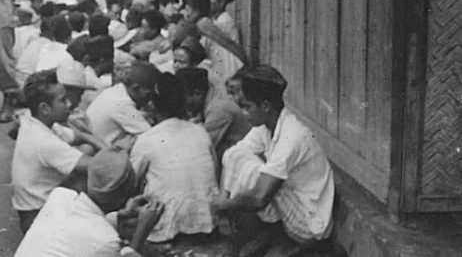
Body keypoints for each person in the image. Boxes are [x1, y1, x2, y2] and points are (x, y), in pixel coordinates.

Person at [211, 65, 335, 254]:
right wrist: (223, 197)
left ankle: (282, 242)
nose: (243, 113)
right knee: (235, 155)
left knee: (256, 176)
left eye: (247, 107)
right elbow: (234, 155)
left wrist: (224, 205)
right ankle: (268, 235)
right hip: (292, 205)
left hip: (309, 223)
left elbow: (260, 199)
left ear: (265, 106)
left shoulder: (292, 136)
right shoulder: (267, 125)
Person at [14, 149, 165, 257]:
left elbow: (80, 226)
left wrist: (116, 218)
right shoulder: (106, 241)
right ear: (123, 197)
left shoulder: (60, 196)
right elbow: (92, 233)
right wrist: (142, 231)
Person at [130, 72, 218, 242]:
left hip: (167, 227)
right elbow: (216, 172)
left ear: (152, 104)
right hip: (207, 223)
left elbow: (130, 183)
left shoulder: (146, 139)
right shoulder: (200, 131)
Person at [11, 70, 91, 233]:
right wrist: (115, 151)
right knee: (91, 176)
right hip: (37, 217)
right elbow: (96, 166)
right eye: (62, 100)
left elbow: (80, 136)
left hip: (31, 209)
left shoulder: (32, 120)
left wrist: (102, 146)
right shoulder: (45, 141)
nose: (68, 104)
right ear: (45, 108)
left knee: (86, 154)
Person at [180, 67, 251, 161]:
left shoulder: (218, 109)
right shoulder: (213, 96)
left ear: (197, 94)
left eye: (183, 98)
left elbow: (201, 149)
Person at [86, 61, 158, 150]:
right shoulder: (123, 104)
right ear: (136, 88)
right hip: (99, 151)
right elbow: (150, 136)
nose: (149, 99)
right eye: (148, 95)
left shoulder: (115, 91)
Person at [204, 0, 244, 82]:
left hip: (227, 68)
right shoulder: (214, 19)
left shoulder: (224, 21)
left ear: (221, 2)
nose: (205, 2)